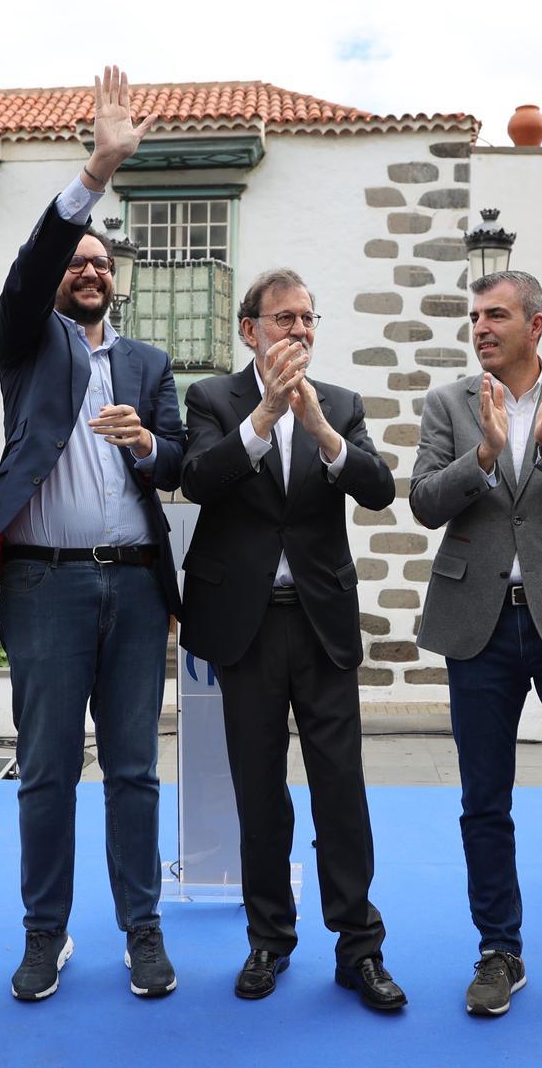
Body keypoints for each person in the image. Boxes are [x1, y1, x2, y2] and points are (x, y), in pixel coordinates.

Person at [0, 66, 184, 1001]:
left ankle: (143, 930)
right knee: (48, 769)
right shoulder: (28, 340)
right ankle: (44, 933)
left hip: (136, 585)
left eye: (102, 263)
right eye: (77, 262)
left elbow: (178, 460)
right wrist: (95, 171)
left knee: (134, 768)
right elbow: (28, 274)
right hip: (46, 584)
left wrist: (151, 446)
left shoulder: (148, 360)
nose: (90, 270)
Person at [179, 268, 407, 1010]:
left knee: (341, 788)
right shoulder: (214, 399)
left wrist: (315, 426)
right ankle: (269, 939)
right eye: (285, 318)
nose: (299, 330)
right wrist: (264, 415)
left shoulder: (338, 402)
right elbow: (199, 479)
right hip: (246, 624)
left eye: (309, 317)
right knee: (260, 791)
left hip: (321, 623)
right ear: (251, 330)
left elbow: (375, 486)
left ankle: (359, 947)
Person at [411, 269, 542, 1023]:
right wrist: (482, 455)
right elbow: (422, 501)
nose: (480, 328)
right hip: (478, 620)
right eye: (475, 316)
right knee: (485, 798)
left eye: (495, 314)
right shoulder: (449, 404)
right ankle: (499, 949)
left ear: (535, 325)